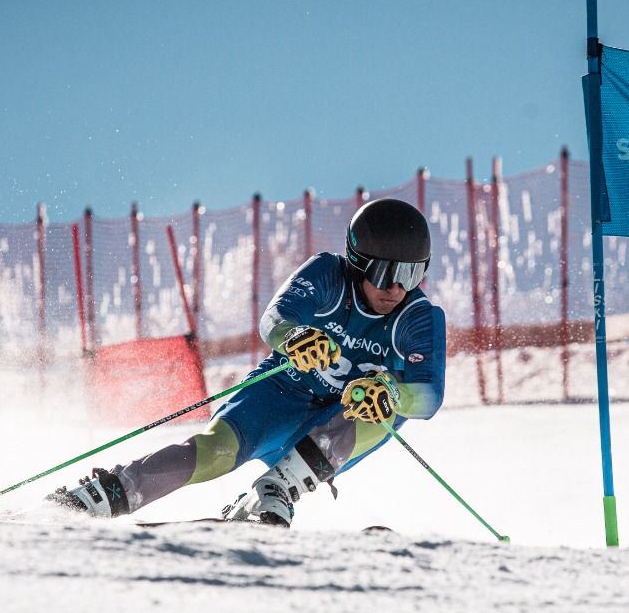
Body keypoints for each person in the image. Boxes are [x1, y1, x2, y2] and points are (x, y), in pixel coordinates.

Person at [50, 198, 447, 526]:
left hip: (335, 425)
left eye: (411, 274)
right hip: (277, 394)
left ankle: (276, 490)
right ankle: (109, 492)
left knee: (381, 408)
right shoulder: (328, 275)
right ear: (358, 263)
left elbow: (428, 396)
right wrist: (292, 336)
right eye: (384, 272)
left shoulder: (418, 316)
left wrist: (393, 391)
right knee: (212, 453)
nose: (397, 287)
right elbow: (274, 318)